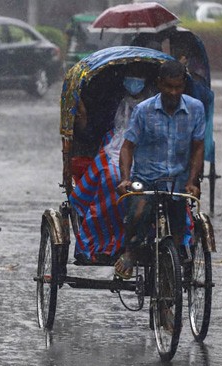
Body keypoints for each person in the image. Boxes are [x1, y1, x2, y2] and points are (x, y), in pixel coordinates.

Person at [115, 60, 205, 279]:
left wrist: (192, 181)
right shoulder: (143, 111)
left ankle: (169, 277)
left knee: (178, 232)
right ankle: (130, 252)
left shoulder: (195, 108)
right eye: (168, 87)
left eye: (178, 87)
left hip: (178, 180)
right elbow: (127, 147)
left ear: (184, 85)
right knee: (138, 212)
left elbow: (198, 147)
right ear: (159, 84)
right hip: (146, 179)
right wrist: (125, 179)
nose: (173, 92)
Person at [69, 64, 156, 262]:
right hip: (115, 145)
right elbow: (92, 130)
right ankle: (103, 243)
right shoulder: (111, 100)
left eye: (139, 75)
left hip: (150, 147)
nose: (135, 80)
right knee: (112, 178)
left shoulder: (157, 100)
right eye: (131, 75)